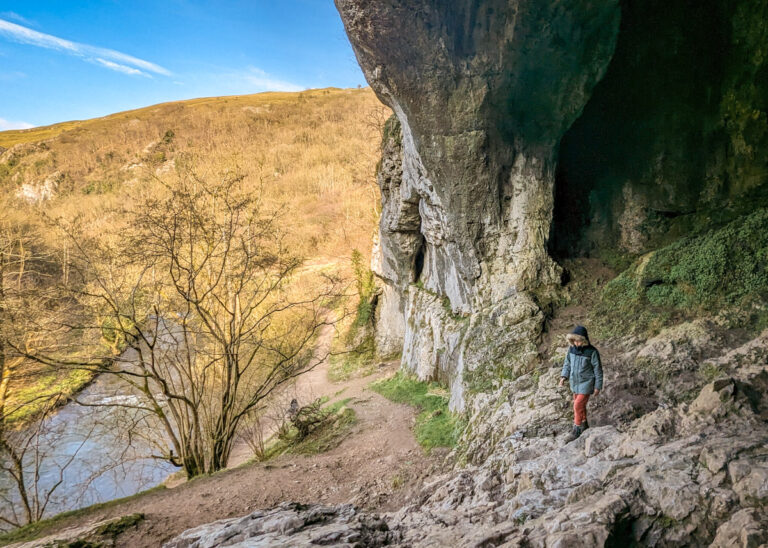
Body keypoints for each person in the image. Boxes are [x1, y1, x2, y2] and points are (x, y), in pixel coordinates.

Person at [559, 325, 602, 442]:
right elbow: (567, 364)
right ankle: (584, 424)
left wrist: (598, 386)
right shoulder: (571, 350)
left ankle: (576, 429)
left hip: (586, 383)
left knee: (577, 405)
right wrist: (563, 377)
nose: (576, 343)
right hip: (574, 382)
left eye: (578, 340)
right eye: (574, 340)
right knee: (580, 406)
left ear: (584, 340)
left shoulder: (592, 352)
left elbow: (598, 369)